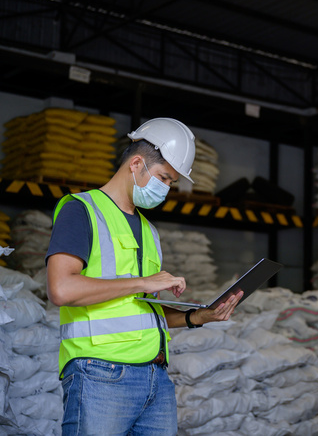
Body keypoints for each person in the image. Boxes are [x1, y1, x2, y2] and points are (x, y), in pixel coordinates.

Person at [46, 117, 242, 435]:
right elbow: (61, 288)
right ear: (137, 163)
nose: (166, 189)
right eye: (164, 178)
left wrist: (198, 316)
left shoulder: (149, 230)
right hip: (100, 373)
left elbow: (141, 309)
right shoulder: (81, 209)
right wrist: (143, 282)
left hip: (155, 377)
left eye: (171, 182)